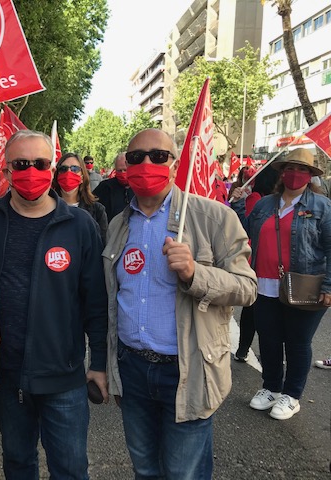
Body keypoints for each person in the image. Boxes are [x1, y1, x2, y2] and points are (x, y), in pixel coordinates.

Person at [103, 129, 257, 479]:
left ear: (174, 165)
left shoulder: (213, 217)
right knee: (144, 469)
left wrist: (194, 274)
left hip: (187, 370)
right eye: (136, 157)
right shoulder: (118, 226)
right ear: (126, 166)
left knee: (182, 473)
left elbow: (248, 288)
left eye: (158, 156)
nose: (147, 163)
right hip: (132, 368)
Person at [0, 130, 108, 479]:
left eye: (40, 163)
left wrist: (99, 362)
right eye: (22, 164)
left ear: (51, 169)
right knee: (18, 462)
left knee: (70, 468)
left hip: (63, 376)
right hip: (5, 375)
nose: (31, 171)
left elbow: (96, 301)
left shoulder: (80, 225)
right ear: (6, 171)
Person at [242, 148, 331, 420]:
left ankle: (291, 395)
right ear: (281, 173)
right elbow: (244, 232)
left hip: (305, 287)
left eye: (302, 169)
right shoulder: (264, 205)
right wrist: (237, 203)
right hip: (264, 285)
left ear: (310, 175)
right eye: (290, 168)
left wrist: (328, 286)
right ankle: (271, 387)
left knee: (297, 342)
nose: (295, 174)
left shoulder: (322, 207)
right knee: (269, 339)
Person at [229, 166, 280, 363]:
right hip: (257, 264)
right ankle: (244, 348)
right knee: (253, 310)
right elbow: (245, 227)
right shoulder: (260, 202)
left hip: (280, 272)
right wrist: (238, 203)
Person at [53, 152, 108, 244]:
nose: (68, 173)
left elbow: (102, 244)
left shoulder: (97, 210)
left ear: (82, 177)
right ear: (57, 175)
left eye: (75, 169)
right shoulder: (46, 209)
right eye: (63, 169)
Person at [92, 153, 134, 222]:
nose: (122, 173)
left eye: (125, 170)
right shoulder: (105, 187)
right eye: (119, 171)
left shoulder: (140, 188)